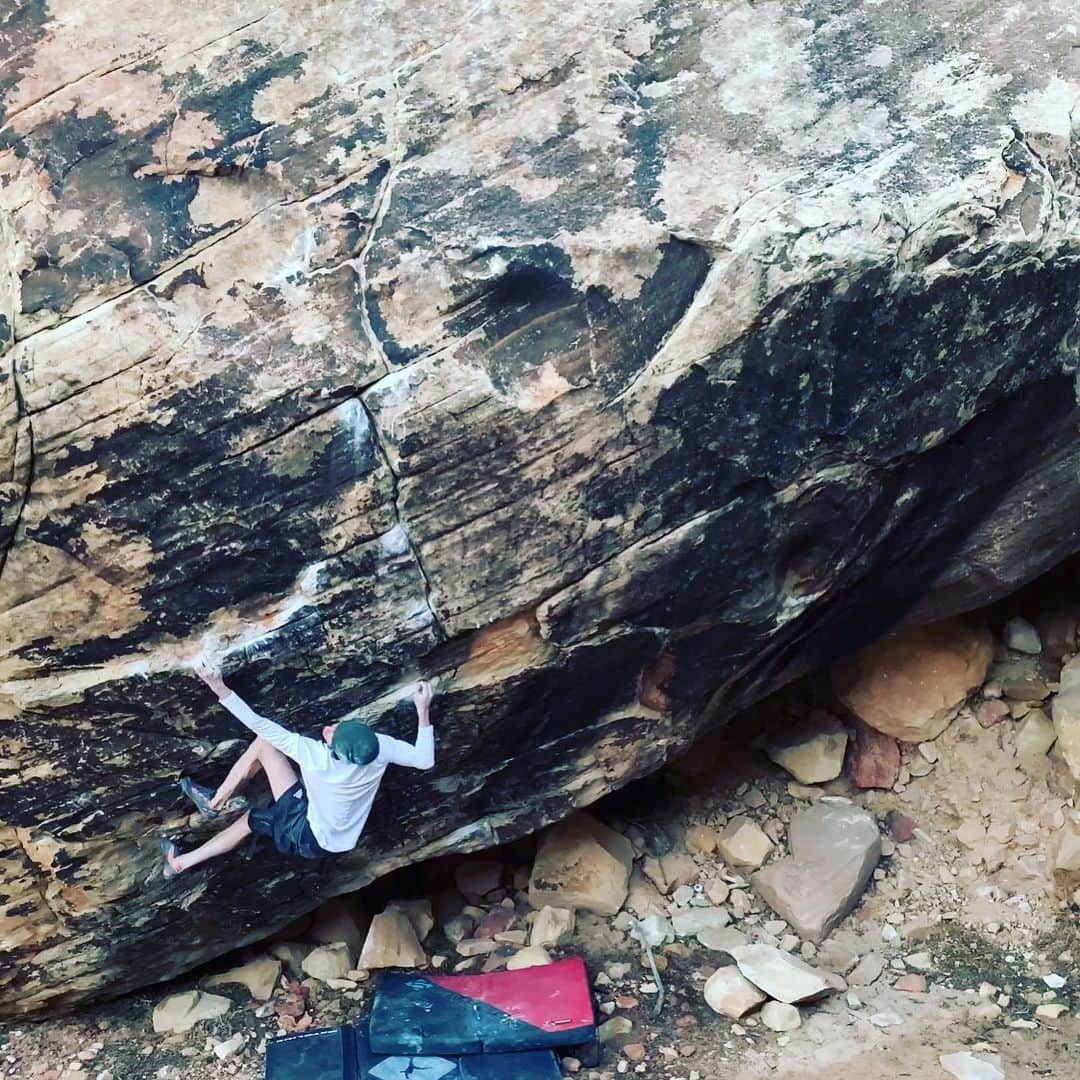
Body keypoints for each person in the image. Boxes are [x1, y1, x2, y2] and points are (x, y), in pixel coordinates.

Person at [161, 657, 435, 877]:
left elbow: (260, 724)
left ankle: (198, 831)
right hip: (339, 835)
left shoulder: (316, 757)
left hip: (307, 835)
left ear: (336, 753)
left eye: (331, 735)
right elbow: (424, 760)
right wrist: (423, 710)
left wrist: (218, 686)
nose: (329, 729)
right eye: (337, 728)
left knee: (252, 814)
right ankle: (208, 818)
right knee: (265, 761)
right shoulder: (380, 747)